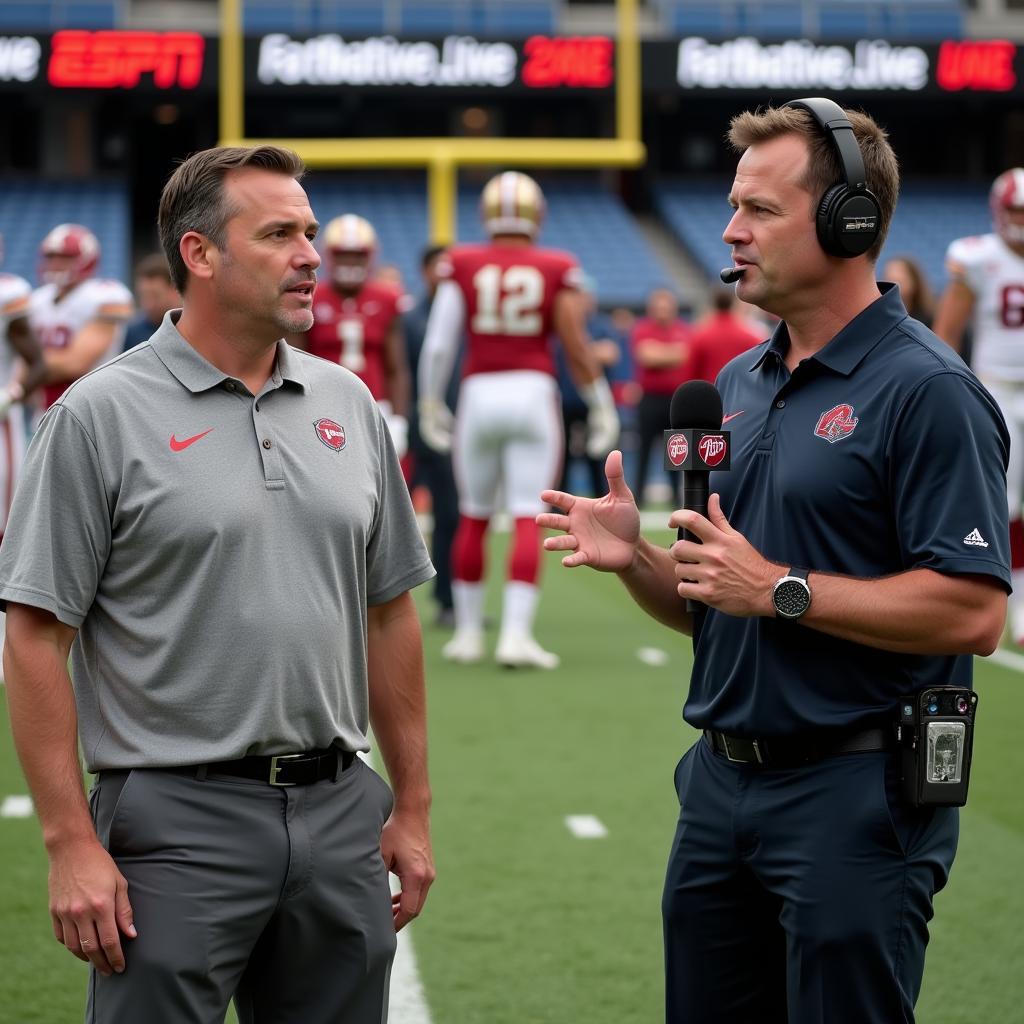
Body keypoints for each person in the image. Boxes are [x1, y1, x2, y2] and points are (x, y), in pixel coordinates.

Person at [538, 99, 1009, 1024]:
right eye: (732, 205)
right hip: (719, 786)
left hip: (856, 793)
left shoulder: (931, 392)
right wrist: (636, 559)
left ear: (849, 221)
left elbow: (972, 614)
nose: (730, 230)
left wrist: (784, 589)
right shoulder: (736, 388)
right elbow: (718, 601)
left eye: (759, 209)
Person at [0, 145, 436, 1024]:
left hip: (338, 805)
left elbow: (389, 611)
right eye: (280, 234)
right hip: (173, 821)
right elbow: (34, 636)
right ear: (200, 255)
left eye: (309, 232)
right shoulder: (97, 414)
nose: (312, 255)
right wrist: (69, 844)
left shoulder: (347, 399)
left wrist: (412, 807)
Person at [418, 170, 619, 669]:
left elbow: (440, 343)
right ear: (537, 214)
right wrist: (601, 402)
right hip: (532, 393)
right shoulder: (555, 265)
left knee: (473, 514)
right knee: (528, 517)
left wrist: (428, 401)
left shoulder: (462, 262)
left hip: (478, 394)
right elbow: (575, 340)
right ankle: (514, 635)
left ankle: (466, 635)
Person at [934, 168, 1024, 640]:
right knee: (1004, 501)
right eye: (1016, 211)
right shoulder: (978, 257)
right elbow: (946, 335)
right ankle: (1008, 596)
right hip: (995, 386)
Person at [289, 213, 411, 459]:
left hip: (375, 403)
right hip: (321, 404)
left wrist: (399, 419)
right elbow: (293, 359)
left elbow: (396, 368)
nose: (350, 262)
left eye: (357, 255)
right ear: (330, 255)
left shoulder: (387, 299)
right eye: (343, 254)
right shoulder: (310, 296)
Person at [404, 243, 459, 627]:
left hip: (454, 430)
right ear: (424, 271)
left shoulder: (463, 317)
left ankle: (448, 599)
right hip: (411, 427)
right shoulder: (410, 318)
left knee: (450, 514)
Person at [28, 223, 134, 414]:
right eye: (51, 256)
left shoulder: (105, 294)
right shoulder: (37, 299)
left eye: (65, 257)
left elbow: (74, 364)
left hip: (90, 407)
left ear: (86, 259)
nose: (55, 264)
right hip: (44, 410)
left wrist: (28, 366)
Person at [554, 272, 623, 499]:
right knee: (561, 454)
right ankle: (559, 499)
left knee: (597, 451)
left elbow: (611, 353)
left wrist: (582, 352)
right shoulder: (561, 324)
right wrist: (590, 352)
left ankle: (600, 497)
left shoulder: (600, 324)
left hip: (592, 399)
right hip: (565, 398)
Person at [629, 287, 693, 507]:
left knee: (676, 450)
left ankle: (677, 498)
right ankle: (637, 497)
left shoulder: (683, 329)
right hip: (649, 398)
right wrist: (673, 353)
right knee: (644, 449)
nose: (663, 311)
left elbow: (686, 355)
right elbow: (646, 356)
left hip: (675, 399)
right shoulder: (642, 328)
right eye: (659, 307)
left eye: (667, 307)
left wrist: (661, 353)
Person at [686, 286, 763, 384]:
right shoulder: (750, 337)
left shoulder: (700, 336)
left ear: (713, 305)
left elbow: (691, 373)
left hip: (710, 394)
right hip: (740, 393)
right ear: (733, 304)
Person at [122, 252, 181, 351]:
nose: (148, 304)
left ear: (175, 291)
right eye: (143, 296)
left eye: (155, 296)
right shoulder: (132, 333)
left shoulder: (192, 331)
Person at [881, 255, 934, 326]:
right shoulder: (880, 317)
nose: (894, 286)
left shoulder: (929, 319)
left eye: (900, 280)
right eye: (889, 279)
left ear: (914, 282)